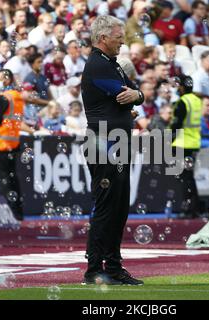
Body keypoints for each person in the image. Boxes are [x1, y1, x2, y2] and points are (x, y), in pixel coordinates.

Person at [81, 15, 144, 285]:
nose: (122, 39)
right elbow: (125, 93)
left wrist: (137, 94)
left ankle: (114, 267)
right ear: (103, 37)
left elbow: (134, 93)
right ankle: (95, 268)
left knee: (117, 208)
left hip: (115, 142)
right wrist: (136, 94)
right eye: (118, 35)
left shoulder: (109, 63)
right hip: (104, 142)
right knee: (108, 207)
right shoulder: (98, 65)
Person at [0, 69, 35, 221]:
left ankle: (12, 213)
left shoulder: (4, 97)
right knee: (13, 179)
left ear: (7, 80)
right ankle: (18, 212)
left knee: (5, 180)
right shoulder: (18, 98)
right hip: (12, 143)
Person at [171, 74, 202, 218]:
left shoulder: (182, 102)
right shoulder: (197, 100)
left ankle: (188, 210)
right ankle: (194, 208)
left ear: (182, 87)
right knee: (190, 178)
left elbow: (176, 124)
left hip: (182, 143)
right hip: (194, 142)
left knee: (184, 179)